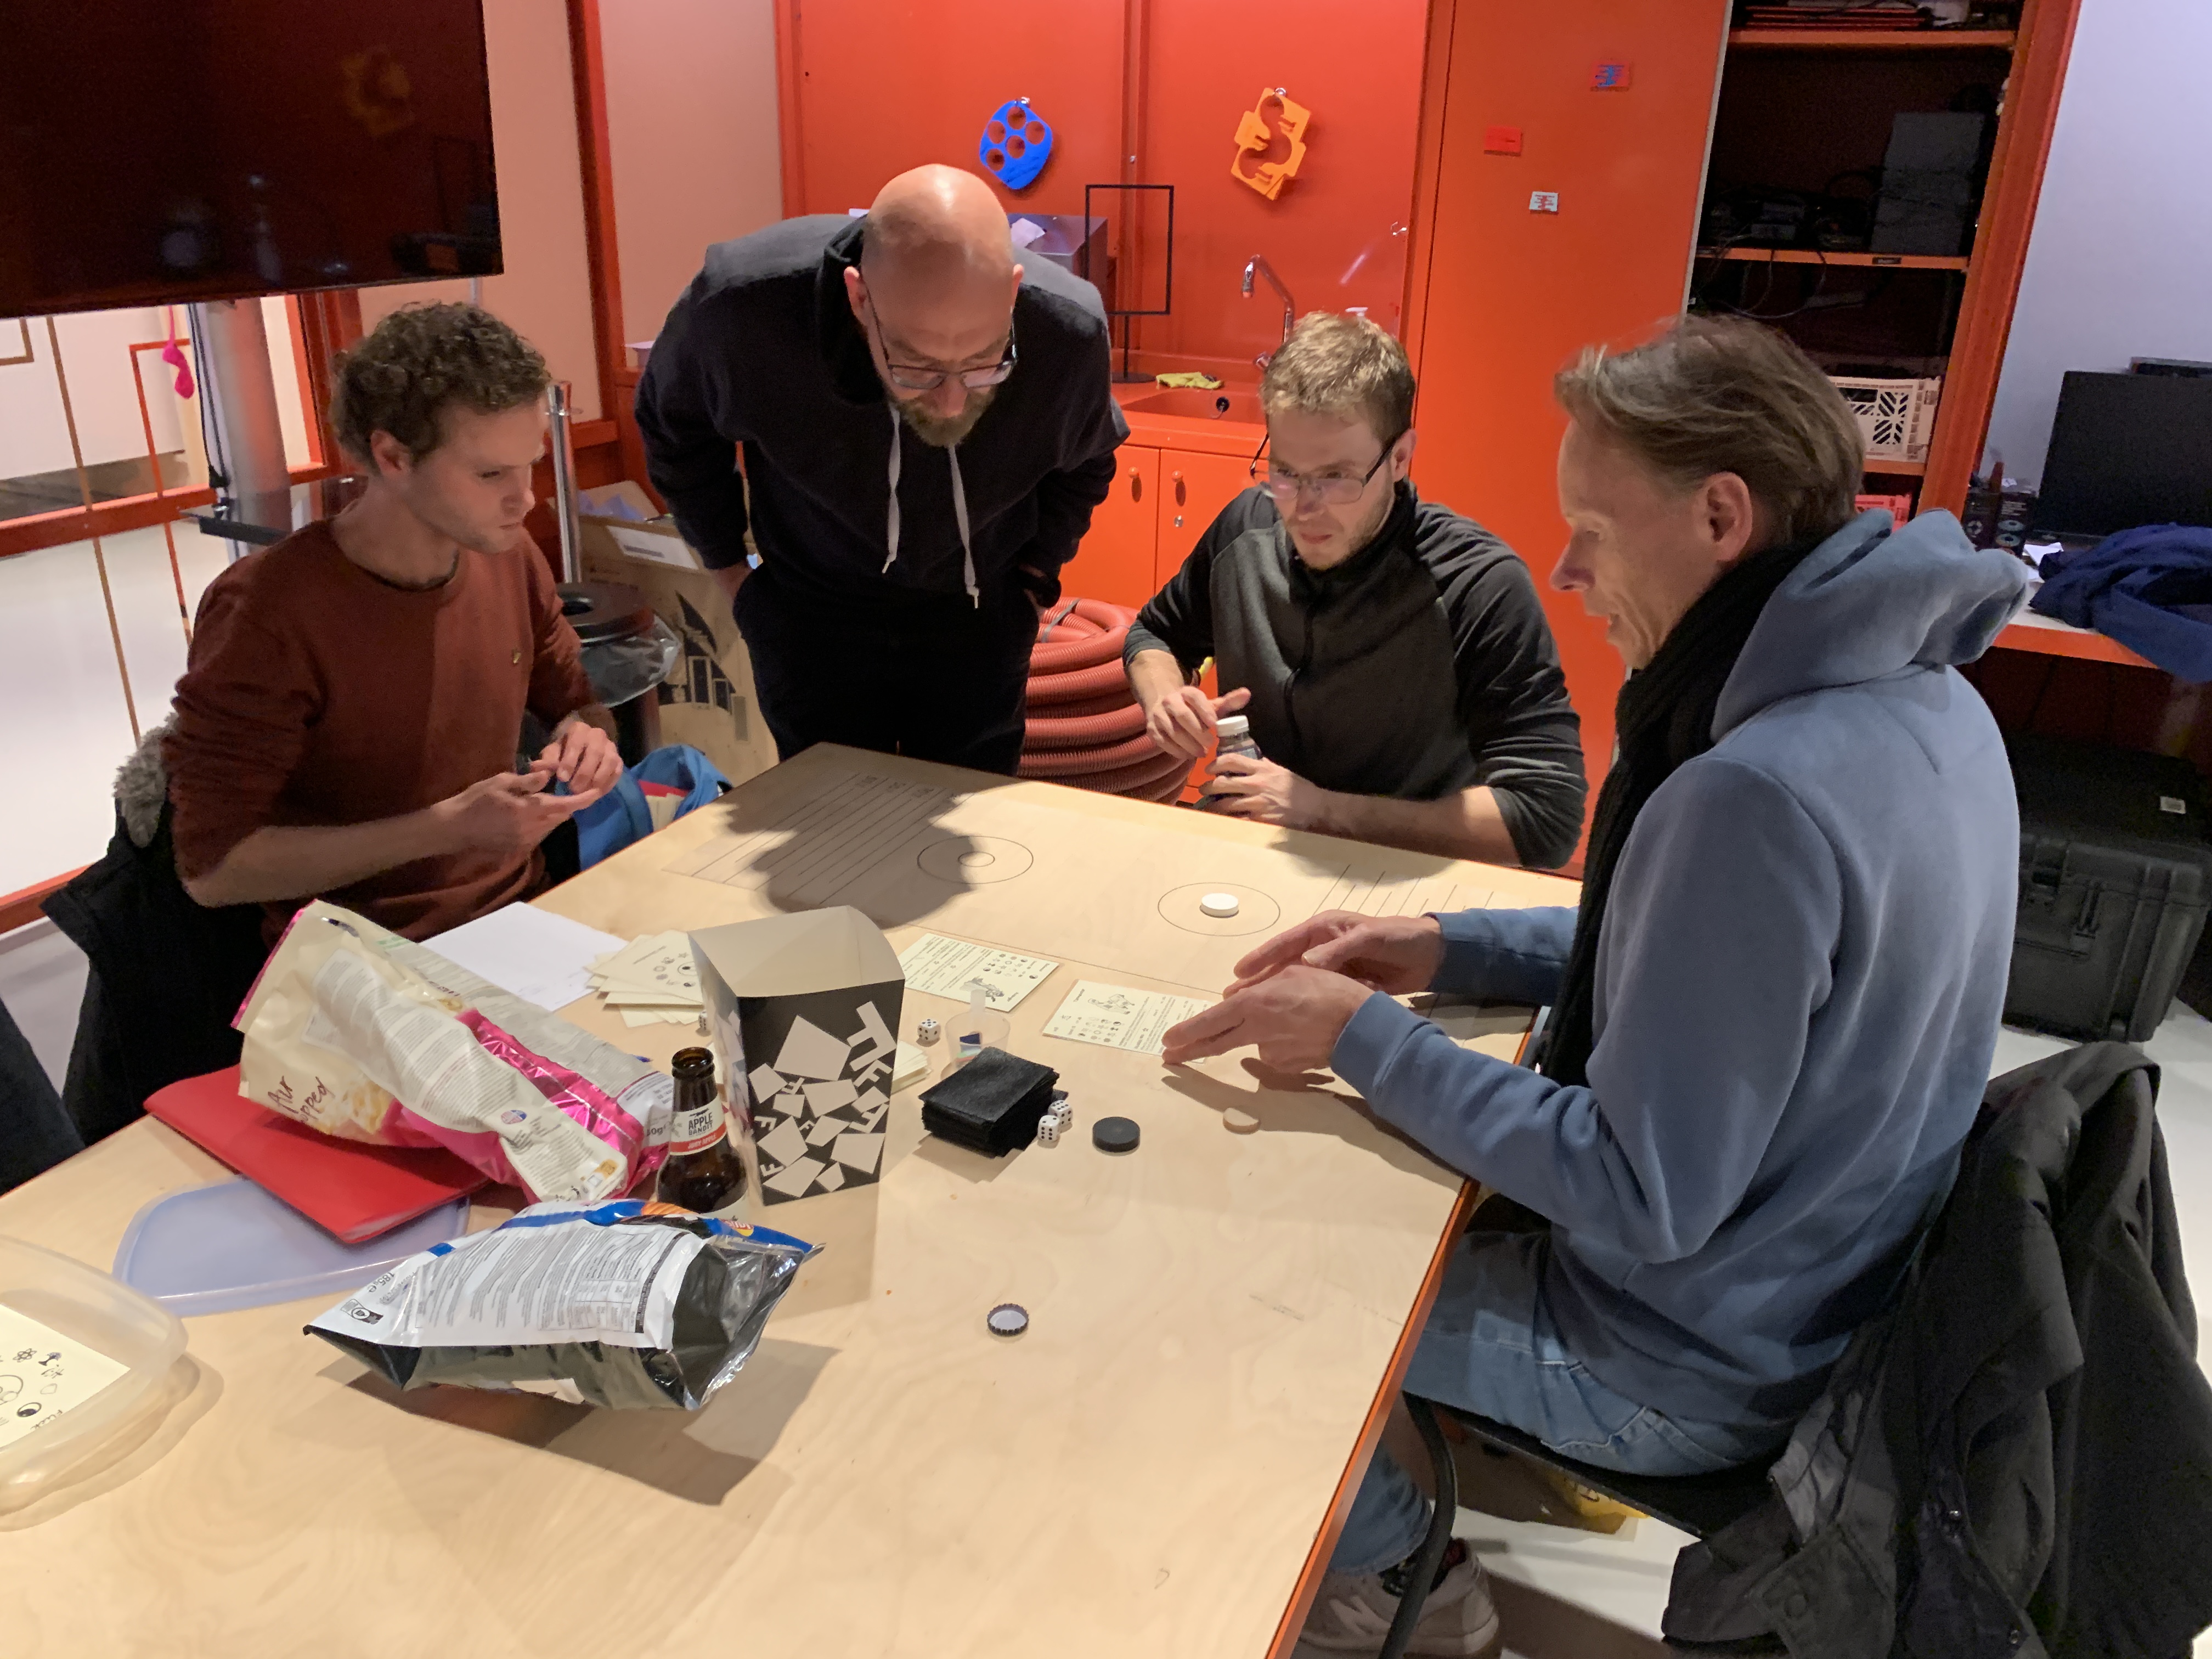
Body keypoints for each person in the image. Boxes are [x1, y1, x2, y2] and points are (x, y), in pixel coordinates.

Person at [1159, 317, 2030, 1655]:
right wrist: (1446, 946)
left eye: (1594, 533)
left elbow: (1637, 1190)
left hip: (1685, 1367)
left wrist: (1366, 1037)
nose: (1566, 571)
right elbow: (1702, 956)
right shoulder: (1932, 702)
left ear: (1721, 517)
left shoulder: (1755, 793)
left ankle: (1404, 1584)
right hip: (1828, 1304)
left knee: (1237, 1273)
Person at [635, 163, 1124, 776]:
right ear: (859, 298)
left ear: (1012, 293)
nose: (951, 402)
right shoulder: (743, 307)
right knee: (826, 812)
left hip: (977, 614)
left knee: (972, 815)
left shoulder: (1068, 329)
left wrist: (1034, 579)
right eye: (916, 366)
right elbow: (674, 428)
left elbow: (1089, 458)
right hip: (811, 613)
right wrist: (734, 577)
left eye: (983, 363)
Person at [167, 302, 622, 943]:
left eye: (531, 464)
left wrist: (587, 738)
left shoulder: (510, 556)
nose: (525, 498)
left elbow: (575, 703)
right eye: (490, 473)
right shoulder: (268, 610)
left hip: (520, 917)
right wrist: (446, 828)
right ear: (393, 457)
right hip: (362, 952)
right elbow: (214, 870)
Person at [1125, 312, 1584, 867]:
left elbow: (1546, 816)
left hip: (1398, 880)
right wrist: (1166, 698)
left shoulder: (1478, 584)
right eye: (1285, 473)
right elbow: (1155, 634)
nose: (1304, 507)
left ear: (1400, 458)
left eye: (1336, 477)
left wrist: (1322, 811)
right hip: (1247, 854)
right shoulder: (1245, 530)